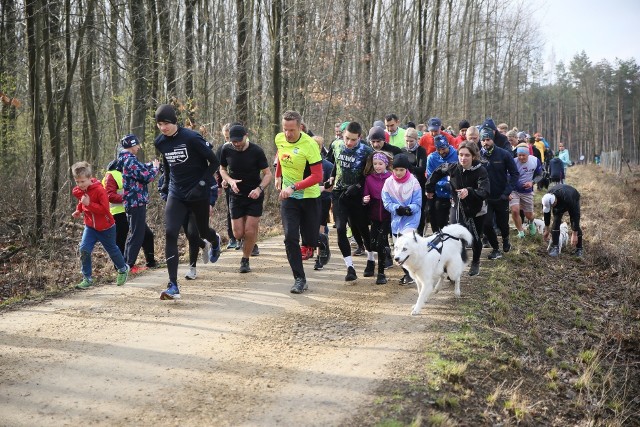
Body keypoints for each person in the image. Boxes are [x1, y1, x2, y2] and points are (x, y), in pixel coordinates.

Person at [154, 104, 222, 300]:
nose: (163, 127)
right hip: (177, 192)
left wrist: (202, 184)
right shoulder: (160, 142)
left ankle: (214, 239)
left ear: (174, 121)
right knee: (170, 233)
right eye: (159, 124)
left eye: (166, 123)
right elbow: (167, 164)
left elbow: (214, 162)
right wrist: (166, 185)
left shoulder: (191, 138)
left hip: (197, 192)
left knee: (201, 231)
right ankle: (173, 285)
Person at [274, 110, 323, 294]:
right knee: (290, 238)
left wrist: (294, 186)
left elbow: (318, 176)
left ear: (300, 127)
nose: (288, 134)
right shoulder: (279, 138)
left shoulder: (309, 145)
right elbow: (281, 154)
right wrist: (278, 175)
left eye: (291, 130)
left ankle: (320, 240)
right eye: (285, 129)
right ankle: (299, 278)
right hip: (289, 198)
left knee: (309, 239)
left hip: (309, 197)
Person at [426, 141, 490, 276]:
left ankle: (475, 262)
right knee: (454, 236)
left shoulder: (480, 170)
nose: (463, 158)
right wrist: (429, 188)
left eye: (467, 155)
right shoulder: (452, 167)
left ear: (473, 156)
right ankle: (454, 264)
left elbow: (484, 191)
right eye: (461, 155)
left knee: (475, 237)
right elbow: (437, 172)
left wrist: (469, 191)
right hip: (458, 205)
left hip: (477, 207)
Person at [218, 124, 272, 273]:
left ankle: (245, 259)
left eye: (239, 141)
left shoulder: (256, 151)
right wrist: (230, 181)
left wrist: (259, 189)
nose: (236, 144)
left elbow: (268, 174)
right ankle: (246, 242)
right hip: (236, 196)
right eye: (233, 141)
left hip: (254, 195)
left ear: (246, 135)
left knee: (249, 230)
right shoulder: (226, 149)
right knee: (238, 234)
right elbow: (222, 169)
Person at [328, 121, 374, 282]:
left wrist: (359, 186)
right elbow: (336, 163)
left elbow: (369, 174)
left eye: (353, 140)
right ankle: (350, 267)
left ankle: (371, 259)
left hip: (357, 195)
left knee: (361, 228)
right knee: (340, 228)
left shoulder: (367, 151)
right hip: (339, 193)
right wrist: (331, 177)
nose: (349, 142)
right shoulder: (336, 145)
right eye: (347, 138)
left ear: (360, 137)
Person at [71, 161, 129, 289]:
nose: (80, 185)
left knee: (112, 250)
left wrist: (88, 204)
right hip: (90, 227)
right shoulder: (79, 190)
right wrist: (79, 210)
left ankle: (123, 268)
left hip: (106, 227)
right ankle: (87, 278)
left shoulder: (100, 190)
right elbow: (82, 199)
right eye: (77, 182)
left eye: (82, 181)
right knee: (84, 249)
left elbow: (104, 209)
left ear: (90, 178)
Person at [116, 134, 160, 274]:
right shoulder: (130, 160)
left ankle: (126, 263)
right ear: (131, 145)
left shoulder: (126, 159)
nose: (139, 147)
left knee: (137, 232)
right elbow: (147, 176)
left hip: (133, 201)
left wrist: (149, 165)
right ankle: (127, 265)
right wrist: (155, 168)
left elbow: (140, 170)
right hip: (135, 201)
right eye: (137, 145)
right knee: (137, 234)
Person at [103, 159, 157, 269]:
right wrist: (128, 198)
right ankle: (120, 268)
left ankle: (151, 262)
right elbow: (110, 196)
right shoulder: (111, 175)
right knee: (121, 240)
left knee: (147, 235)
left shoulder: (127, 174)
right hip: (118, 213)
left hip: (131, 211)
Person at [382, 153, 422, 285]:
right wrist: (396, 208)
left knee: (406, 244)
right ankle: (408, 273)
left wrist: (409, 209)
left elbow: (418, 202)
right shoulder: (388, 183)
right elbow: (386, 202)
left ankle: (412, 273)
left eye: (401, 170)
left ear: (407, 169)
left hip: (411, 218)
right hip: (397, 219)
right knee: (398, 247)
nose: (398, 173)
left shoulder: (414, 182)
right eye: (396, 170)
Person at [479, 128, 519, 259]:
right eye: (483, 140)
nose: (486, 142)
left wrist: (507, 192)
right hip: (485, 197)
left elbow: (514, 174)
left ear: (493, 140)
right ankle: (496, 248)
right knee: (486, 224)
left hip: (501, 196)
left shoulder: (504, 154)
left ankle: (506, 239)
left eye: (488, 139)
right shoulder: (477, 156)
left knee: (502, 224)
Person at [362, 151, 392, 284]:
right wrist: (365, 199)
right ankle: (386, 252)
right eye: (375, 164)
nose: (378, 166)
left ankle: (381, 273)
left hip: (387, 216)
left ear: (385, 164)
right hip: (374, 217)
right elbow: (365, 196)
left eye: (380, 163)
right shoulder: (369, 179)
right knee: (372, 243)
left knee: (380, 243)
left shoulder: (391, 178)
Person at [426, 134, 457, 233]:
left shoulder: (456, 154)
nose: (441, 152)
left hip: (455, 192)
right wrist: (444, 184)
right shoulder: (432, 158)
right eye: (438, 149)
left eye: (443, 149)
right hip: (440, 193)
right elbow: (430, 177)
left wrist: (451, 183)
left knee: (454, 220)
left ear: (448, 145)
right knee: (439, 219)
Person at [511, 143, 543, 238]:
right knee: (515, 210)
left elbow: (540, 175)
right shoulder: (513, 162)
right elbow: (508, 176)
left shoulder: (535, 161)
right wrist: (515, 184)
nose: (521, 157)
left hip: (527, 191)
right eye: (519, 155)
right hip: (514, 190)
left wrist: (532, 183)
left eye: (523, 155)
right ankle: (521, 232)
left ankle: (531, 222)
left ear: (528, 154)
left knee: (529, 215)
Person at [542, 185, 583, 257]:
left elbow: (575, 217)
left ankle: (579, 249)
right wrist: (547, 229)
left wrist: (574, 234)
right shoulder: (546, 198)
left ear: (555, 201)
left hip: (573, 196)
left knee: (575, 225)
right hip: (560, 199)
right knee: (556, 220)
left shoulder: (568, 198)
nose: (551, 208)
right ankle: (555, 247)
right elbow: (547, 215)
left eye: (552, 206)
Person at [401, 127, 428, 234]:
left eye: (411, 141)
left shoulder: (421, 151)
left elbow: (422, 169)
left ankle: (420, 233)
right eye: (407, 141)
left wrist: (408, 167)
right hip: (405, 185)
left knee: (419, 210)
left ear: (417, 140)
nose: (408, 144)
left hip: (419, 184)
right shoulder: (402, 151)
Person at [313, 136, 333, 271]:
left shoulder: (328, 166)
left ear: (320, 148)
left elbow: (330, 187)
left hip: (323, 199)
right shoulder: (304, 164)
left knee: (320, 227)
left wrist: (316, 188)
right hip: (307, 199)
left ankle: (319, 257)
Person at [216, 123, 238, 250]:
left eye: (230, 137)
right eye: (226, 138)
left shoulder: (242, 147)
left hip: (241, 183)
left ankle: (242, 237)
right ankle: (232, 238)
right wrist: (220, 183)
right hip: (227, 184)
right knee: (230, 210)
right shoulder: (222, 149)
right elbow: (219, 168)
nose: (228, 141)